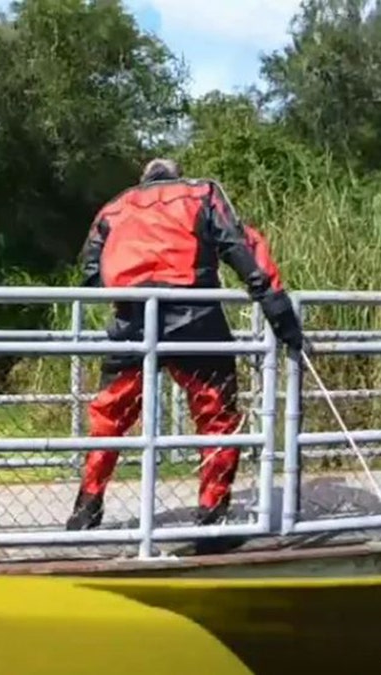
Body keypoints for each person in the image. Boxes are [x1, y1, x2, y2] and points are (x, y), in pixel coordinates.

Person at [67, 158, 306, 536]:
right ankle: (211, 516)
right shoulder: (202, 192)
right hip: (195, 315)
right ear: (175, 174)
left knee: (109, 416)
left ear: (143, 180)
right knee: (216, 415)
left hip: (133, 317)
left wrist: (125, 293)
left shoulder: (115, 207)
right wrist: (277, 308)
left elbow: (91, 274)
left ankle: (86, 508)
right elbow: (240, 246)